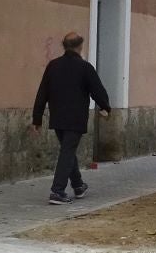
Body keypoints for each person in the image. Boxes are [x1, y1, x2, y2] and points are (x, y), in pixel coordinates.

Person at [30, 31, 112, 204]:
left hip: (57, 118)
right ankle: (57, 191)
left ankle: (78, 185)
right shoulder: (85, 68)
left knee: (68, 151)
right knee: (67, 152)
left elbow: (42, 93)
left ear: (64, 46)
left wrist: (37, 119)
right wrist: (105, 107)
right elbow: (97, 90)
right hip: (75, 118)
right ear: (80, 47)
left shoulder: (53, 66)